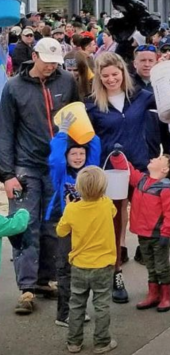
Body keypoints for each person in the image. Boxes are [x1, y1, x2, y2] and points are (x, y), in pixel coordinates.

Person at [0, 37, 78, 315]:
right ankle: (27, 288)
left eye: (55, 63)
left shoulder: (67, 81)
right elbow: (5, 131)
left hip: (57, 167)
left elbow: (78, 118)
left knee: (53, 224)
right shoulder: (13, 88)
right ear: (34, 56)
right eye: (46, 61)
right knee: (25, 224)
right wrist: (7, 174)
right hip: (24, 167)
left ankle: (47, 279)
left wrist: (76, 160)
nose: (51, 67)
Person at [86, 52, 157, 304]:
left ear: (123, 73)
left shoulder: (141, 97)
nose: (110, 79)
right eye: (105, 76)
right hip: (110, 171)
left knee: (148, 223)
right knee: (115, 225)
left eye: (115, 74)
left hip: (139, 166)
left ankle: (157, 279)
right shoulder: (92, 105)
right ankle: (116, 273)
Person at [55, 166, 118, 354]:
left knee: (76, 304)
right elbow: (114, 212)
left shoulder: (72, 210)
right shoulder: (107, 204)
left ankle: (74, 342)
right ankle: (102, 342)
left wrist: (69, 207)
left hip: (79, 265)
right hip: (103, 265)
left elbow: (61, 231)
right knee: (102, 304)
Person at [47, 113, 102, 327]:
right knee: (65, 269)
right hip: (65, 226)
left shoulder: (89, 172)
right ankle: (63, 314)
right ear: (67, 156)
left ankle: (77, 310)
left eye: (81, 153)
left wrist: (85, 127)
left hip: (86, 229)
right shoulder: (61, 173)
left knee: (81, 270)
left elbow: (95, 145)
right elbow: (55, 158)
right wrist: (62, 134)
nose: (78, 157)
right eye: (74, 153)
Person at [109, 149, 170, 313]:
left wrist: (166, 233)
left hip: (158, 235)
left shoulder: (165, 188)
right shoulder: (142, 180)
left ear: (165, 170)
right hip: (143, 233)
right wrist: (118, 157)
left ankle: (166, 295)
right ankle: (154, 293)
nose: (154, 158)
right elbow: (129, 170)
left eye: (160, 158)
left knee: (161, 265)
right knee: (150, 265)